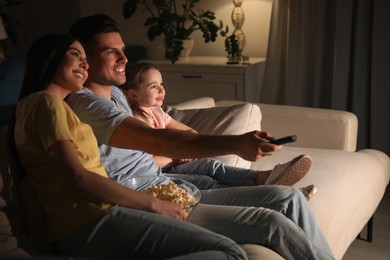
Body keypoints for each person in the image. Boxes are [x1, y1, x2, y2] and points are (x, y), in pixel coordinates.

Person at [64, 14, 334, 259]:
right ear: (84, 57)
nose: (124, 58)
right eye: (112, 52)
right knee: (269, 224)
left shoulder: (116, 95)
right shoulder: (83, 103)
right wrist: (235, 143)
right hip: (141, 198)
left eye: (123, 50)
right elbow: (156, 140)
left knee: (289, 199)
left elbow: (162, 122)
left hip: (168, 184)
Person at [9, 33, 253, 259]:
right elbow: (78, 177)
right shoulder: (45, 104)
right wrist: (153, 204)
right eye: (75, 55)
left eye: (85, 59)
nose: (84, 64)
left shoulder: (52, 107)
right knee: (230, 252)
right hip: (89, 221)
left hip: (96, 217)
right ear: (50, 58)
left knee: (228, 247)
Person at [121, 62, 317, 199]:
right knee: (203, 180)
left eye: (162, 84)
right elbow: (146, 162)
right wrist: (176, 155)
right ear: (133, 95)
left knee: (210, 166)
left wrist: (184, 148)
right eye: (154, 86)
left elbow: (191, 134)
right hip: (159, 173)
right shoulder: (136, 121)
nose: (162, 90)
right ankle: (275, 192)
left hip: (172, 164)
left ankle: (266, 178)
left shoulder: (159, 113)